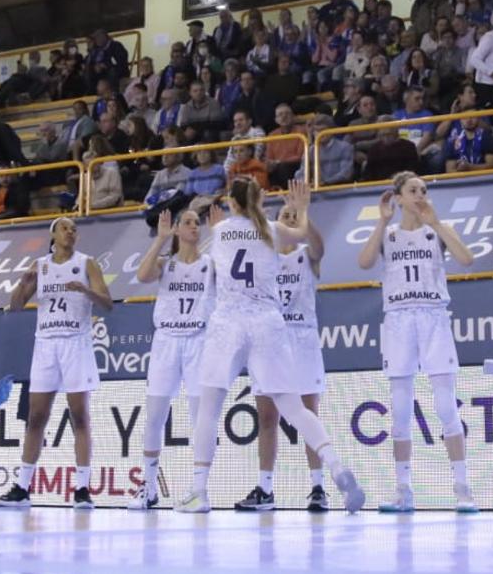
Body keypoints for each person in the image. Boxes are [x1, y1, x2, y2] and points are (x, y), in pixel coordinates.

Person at [175, 179, 364, 514]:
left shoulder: (218, 233)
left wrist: (220, 225)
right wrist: (302, 209)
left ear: (232, 204)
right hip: (267, 321)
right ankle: (336, 467)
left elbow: (209, 268)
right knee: (294, 408)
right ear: (259, 201)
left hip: (228, 321)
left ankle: (198, 491)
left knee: (208, 409)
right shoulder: (273, 230)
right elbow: (302, 232)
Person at [357, 172, 477, 513]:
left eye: (424, 190)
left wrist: (437, 223)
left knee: (445, 405)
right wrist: (381, 222)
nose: (421, 195)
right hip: (398, 319)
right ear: (398, 197)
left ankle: (463, 487)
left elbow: (467, 259)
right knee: (399, 410)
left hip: (433, 316)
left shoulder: (437, 229)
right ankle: (403, 489)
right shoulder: (389, 235)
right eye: (413, 190)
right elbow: (364, 262)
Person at [0, 218, 113, 509]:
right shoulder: (41, 266)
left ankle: (83, 489)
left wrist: (85, 291)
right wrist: (22, 285)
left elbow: (108, 303)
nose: (70, 232)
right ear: (53, 234)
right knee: (36, 417)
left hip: (75, 342)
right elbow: (15, 306)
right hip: (46, 344)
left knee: (80, 416)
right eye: (65, 228)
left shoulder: (87, 264)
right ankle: (22, 487)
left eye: (74, 228)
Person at [233, 201, 329, 513]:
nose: (289, 219)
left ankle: (318, 487)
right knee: (266, 417)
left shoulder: (306, 256)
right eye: (284, 216)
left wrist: (305, 217)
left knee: (308, 414)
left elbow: (319, 246)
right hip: (270, 340)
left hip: (301, 338)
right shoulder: (265, 260)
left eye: (294, 215)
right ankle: (265, 488)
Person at [127, 210, 215, 510]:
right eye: (188, 222)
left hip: (199, 342)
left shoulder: (211, 264)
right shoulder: (167, 264)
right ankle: (148, 488)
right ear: (177, 229)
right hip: (166, 341)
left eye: (196, 223)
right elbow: (142, 275)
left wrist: (218, 235)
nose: (194, 226)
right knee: (154, 416)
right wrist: (161, 239)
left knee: (200, 417)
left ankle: (199, 490)